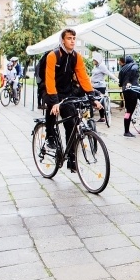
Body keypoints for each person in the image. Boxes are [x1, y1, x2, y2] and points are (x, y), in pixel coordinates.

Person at [43, 28, 96, 172]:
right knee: (52, 110)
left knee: (71, 124)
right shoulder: (53, 55)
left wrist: (91, 96)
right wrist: (54, 102)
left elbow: (83, 76)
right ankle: (50, 137)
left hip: (66, 91)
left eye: (74, 38)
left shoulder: (76, 57)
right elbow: (49, 79)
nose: (72, 41)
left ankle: (72, 161)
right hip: (49, 87)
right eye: (69, 38)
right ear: (62, 40)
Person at [118, 55, 140, 137]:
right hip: (133, 89)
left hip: (125, 90)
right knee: (131, 109)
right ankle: (126, 132)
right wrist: (131, 80)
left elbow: (120, 83)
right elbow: (135, 71)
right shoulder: (134, 66)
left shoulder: (122, 69)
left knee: (128, 111)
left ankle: (126, 130)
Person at [90, 55, 117, 122]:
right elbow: (93, 75)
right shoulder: (95, 66)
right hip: (94, 85)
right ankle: (93, 117)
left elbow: (108, 73)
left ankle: (102, 117)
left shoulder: (102, 66)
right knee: (93, 99)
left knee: (100, 100)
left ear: (97, 60)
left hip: (100, 86)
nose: (93, 61)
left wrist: (117, 79)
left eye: (94, 60)